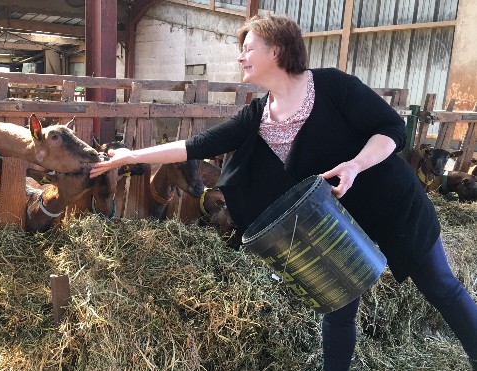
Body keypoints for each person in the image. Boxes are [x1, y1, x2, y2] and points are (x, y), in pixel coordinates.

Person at [90, 13, 477, 371]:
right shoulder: (258, 115)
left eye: (247, 48)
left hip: (391, 202)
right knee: (338, 306)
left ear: (275, 51)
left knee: (441, 287)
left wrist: (356, 165)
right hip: (338, 224)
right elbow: (197, 145)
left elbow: (392, 128)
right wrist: (130, 155)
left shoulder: (332, 86)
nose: (240, 56)